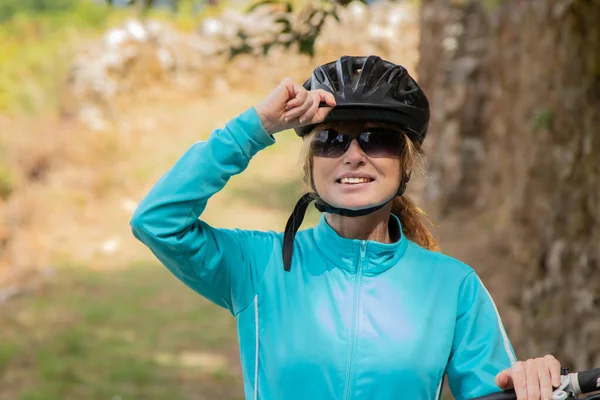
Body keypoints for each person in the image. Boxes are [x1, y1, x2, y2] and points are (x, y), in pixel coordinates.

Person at [130, 55, 562, 400]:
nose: (353, 154)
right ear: (311, 165)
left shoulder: (454, 287)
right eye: (332, 139)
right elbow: (157, 222)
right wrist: (254, 128)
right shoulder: (256, 265)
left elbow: (496, 392)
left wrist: (530, 382)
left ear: (405, 166)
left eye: (377, 138)